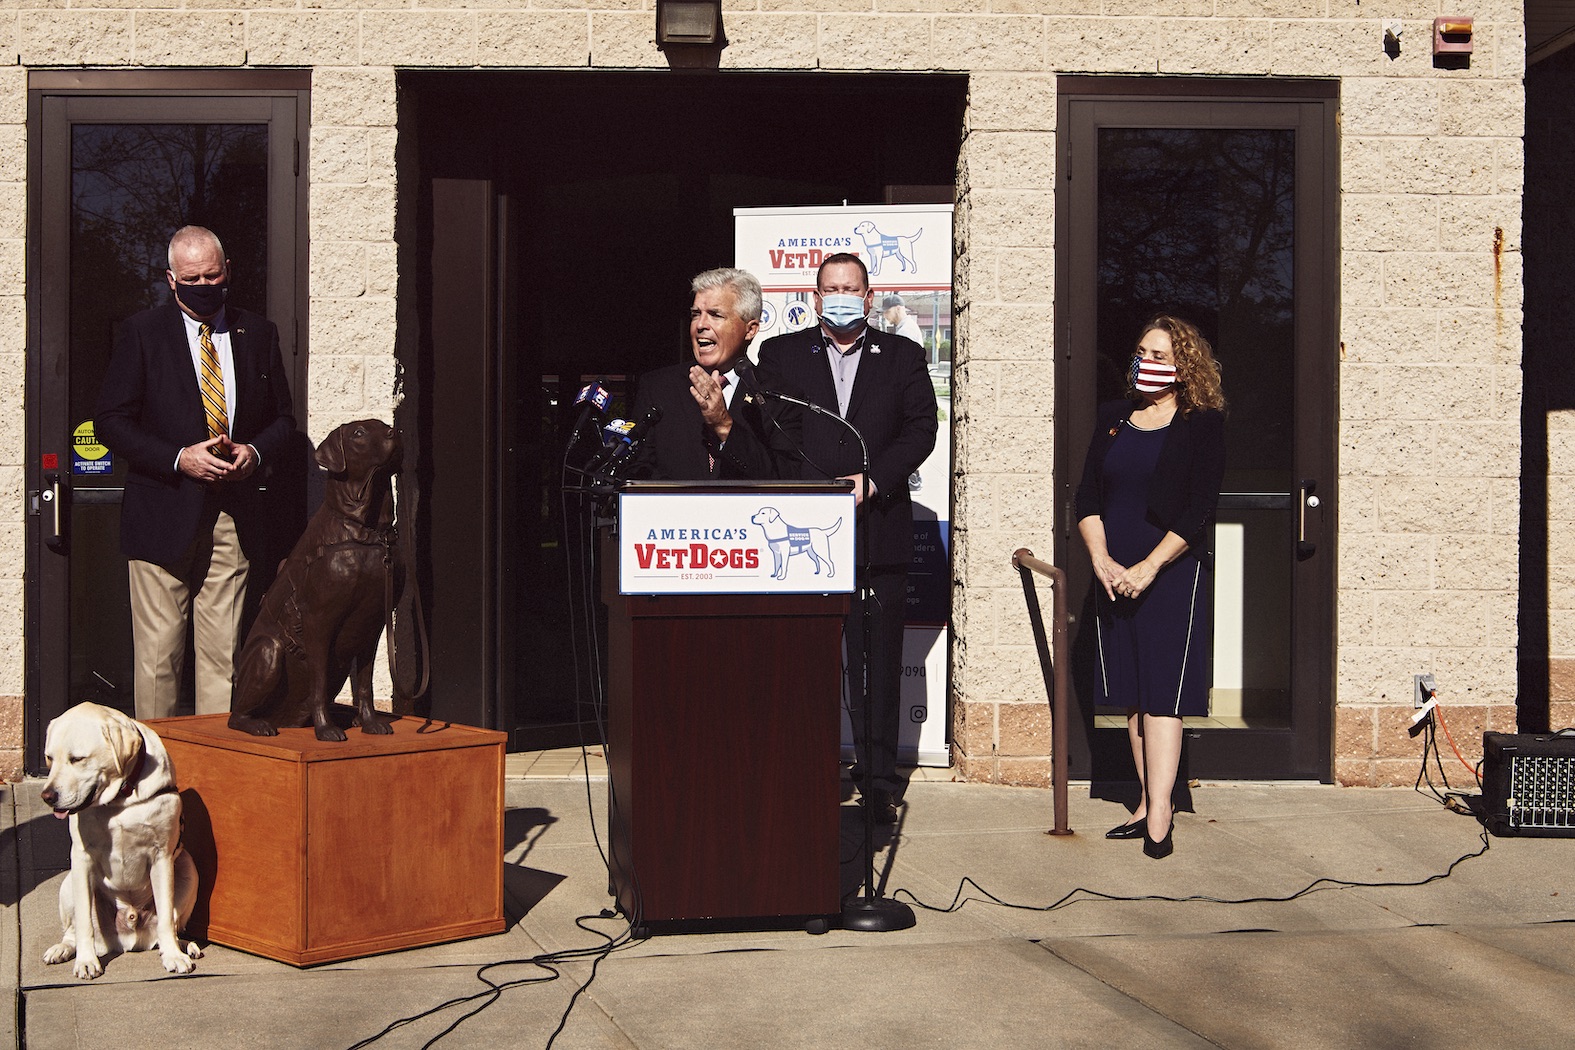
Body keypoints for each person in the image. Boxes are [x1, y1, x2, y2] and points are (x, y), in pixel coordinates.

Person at [756, 253, 938, 824]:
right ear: (814, 298)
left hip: (876, 533)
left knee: (877, 666)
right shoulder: (781, 354)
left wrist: (875, 479)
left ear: (868, 296)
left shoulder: (903, 356)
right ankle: (804, 773)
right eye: (830, 288)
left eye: (851, 288)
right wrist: (814, 487)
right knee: (804, 663)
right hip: (806, 532)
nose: (841, 297)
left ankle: (880, 780)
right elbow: (773, 430)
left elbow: (921, 428)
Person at [97, 225, 296, 720]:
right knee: (159, 660)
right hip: (161, 514)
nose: (204, 286)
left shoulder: (258, 333)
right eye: (192, 277)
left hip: (233, 514)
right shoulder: (142, 333)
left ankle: (216, 775)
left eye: (212, 275)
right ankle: (153, 781)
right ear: (170, 279)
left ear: (228, 272)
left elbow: (283, 420)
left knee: (222, 660)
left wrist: (252, 450)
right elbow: (110, 421)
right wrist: (179, 457)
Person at [1074, 315, 1226, 859]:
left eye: (1160, 355)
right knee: (1134, 697)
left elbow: (1198, 510)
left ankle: (1161, 812)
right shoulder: (1115, 418)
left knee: (1163, 695)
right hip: (1115, 575)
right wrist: (1104, 561)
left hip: (1169, 575)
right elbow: (1087, 498)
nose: (1147, 363)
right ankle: (1144, 802)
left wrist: (1147, 568)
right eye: (1142, 352)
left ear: (1184, 366)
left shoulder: (1202, 424)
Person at [632, 268, 783, 480]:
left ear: (750, 330)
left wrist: (723, 425)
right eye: (696, 314)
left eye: (715, 315)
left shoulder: (778, 396)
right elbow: (639, 473)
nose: (701, 325)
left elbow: (783, 479)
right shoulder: (658, 388)